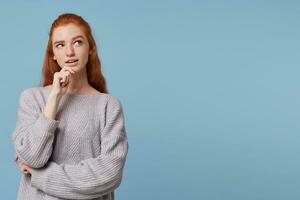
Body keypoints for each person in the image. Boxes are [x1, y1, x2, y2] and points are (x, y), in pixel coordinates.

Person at [11, 13, 129, 200]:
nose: (69, 52)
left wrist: (41, 175)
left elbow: (109, 173)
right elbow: (33, 157)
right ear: (54, 55)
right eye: (60, 45)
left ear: (90, 49)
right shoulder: (32, 98)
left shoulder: (108, 106)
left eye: (77, 42)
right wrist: (54, 99)